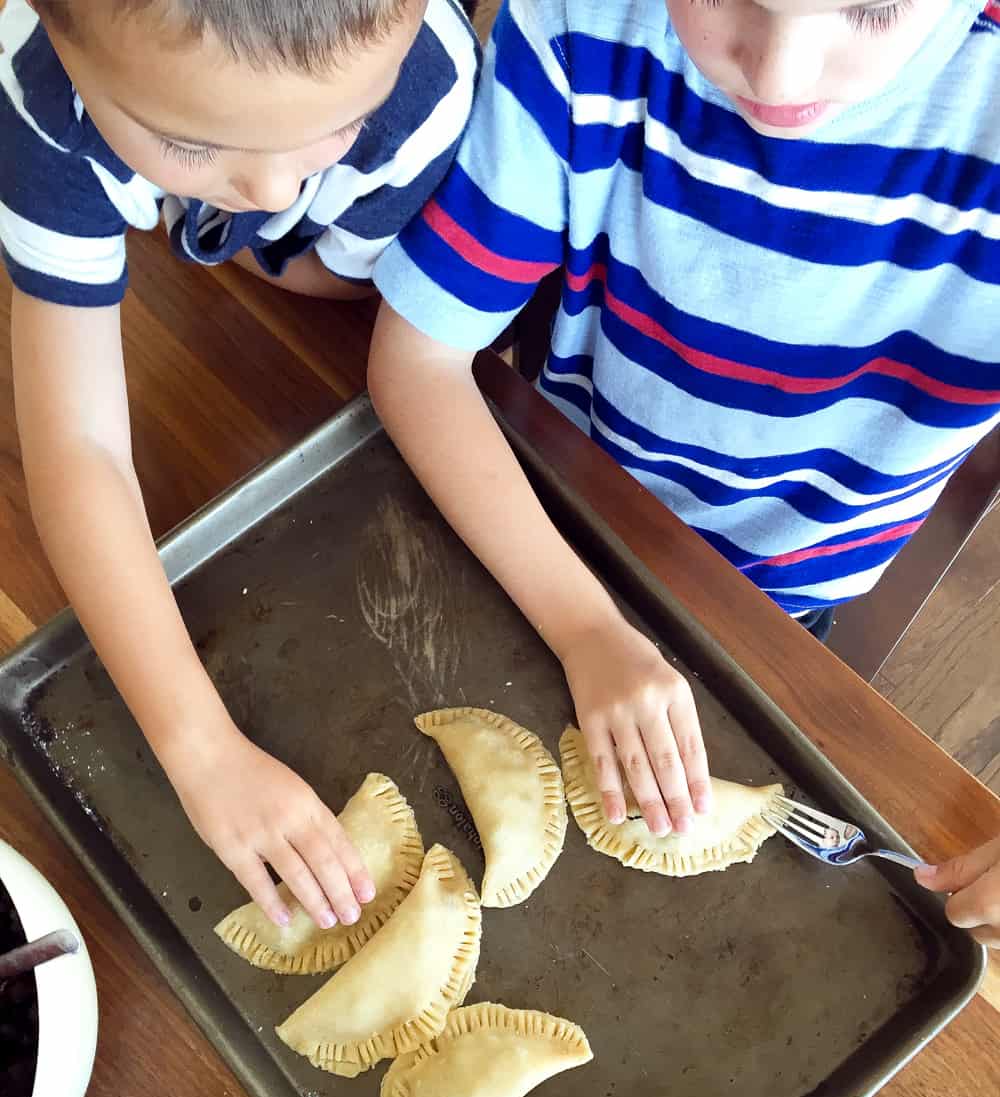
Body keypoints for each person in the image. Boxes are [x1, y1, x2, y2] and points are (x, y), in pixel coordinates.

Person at [368, 0, 1000, 943]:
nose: (779, 78)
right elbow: (416, 363)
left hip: (780, 613)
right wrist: (588, 628)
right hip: (539, 526)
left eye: (870, 8)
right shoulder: (583, 23)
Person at [0, 0, 479, 930]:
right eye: (188, 142)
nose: (265, 187)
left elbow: (370, 292)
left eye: (334, 129)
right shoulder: (39, 94)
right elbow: (78, 446)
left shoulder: (424, 90)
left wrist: (206, 216)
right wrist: (201, 749)